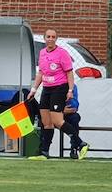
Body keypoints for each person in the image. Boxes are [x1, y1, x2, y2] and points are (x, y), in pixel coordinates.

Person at [26, 29, 75, 161]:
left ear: (56, 39)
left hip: (59, 88)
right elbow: (41, 73)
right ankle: (44, 152)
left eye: (53, 37)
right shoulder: (42, 53)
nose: (50, 39)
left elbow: (69, 73)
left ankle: (79, 142)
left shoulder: (62, 53)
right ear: (44, 38)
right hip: (46, 89)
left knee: (57, 121)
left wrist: (70, 90)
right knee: (46, 122)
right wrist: (34, 89)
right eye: (48, 36)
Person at [61, 85, 89, 159]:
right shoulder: (53, 84)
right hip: (54, 113)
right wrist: (61, 109)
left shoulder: (73, 86)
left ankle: (74, 148)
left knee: (75, 118)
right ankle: (44, 149)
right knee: (44, 119)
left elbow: (74, 106)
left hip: (66, 114)